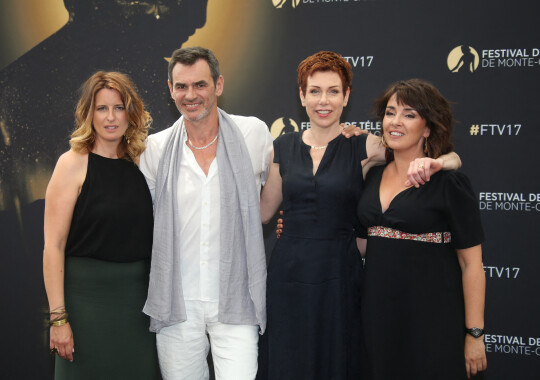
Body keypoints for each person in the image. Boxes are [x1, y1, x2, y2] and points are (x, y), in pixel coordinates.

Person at [258, 52, 461, 379]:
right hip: (288, 274)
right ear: (301, 95)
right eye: (315, 91)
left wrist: (443, 163)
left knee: (338, 359)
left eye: (333, 91)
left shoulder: (365, 146)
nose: (324, 100)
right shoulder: (280, 147)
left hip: (340, 273)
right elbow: (264, 212)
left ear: (346, 95)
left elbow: (440, 154)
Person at [139, 46, 273, 380]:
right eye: (181, 87)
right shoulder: (156, 149)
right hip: (177, 304)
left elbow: (276, 195)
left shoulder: (253, 134)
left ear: (219, 85)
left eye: (200, 85)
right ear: (170, 90)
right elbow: (146, 218)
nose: (190, 95)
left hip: (236, 299)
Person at [357, 79, 486, 379]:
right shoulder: (371, 176)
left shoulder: (448, 183)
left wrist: (475, 333)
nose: (395, 122)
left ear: (427, 127)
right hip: (377, 316)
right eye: (390, 113)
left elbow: (471, 264)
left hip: (434, 317)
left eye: (409, 114)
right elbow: (361, 244)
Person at [43, 71, 160, 379]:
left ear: (130, 113)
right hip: (84, 308)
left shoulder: (141, 163)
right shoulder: (72, 164)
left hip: (137, 310)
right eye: (102, 108)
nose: (111, 117)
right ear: (88, 114)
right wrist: (58, 319)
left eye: (119, 107)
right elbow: (53, 247)